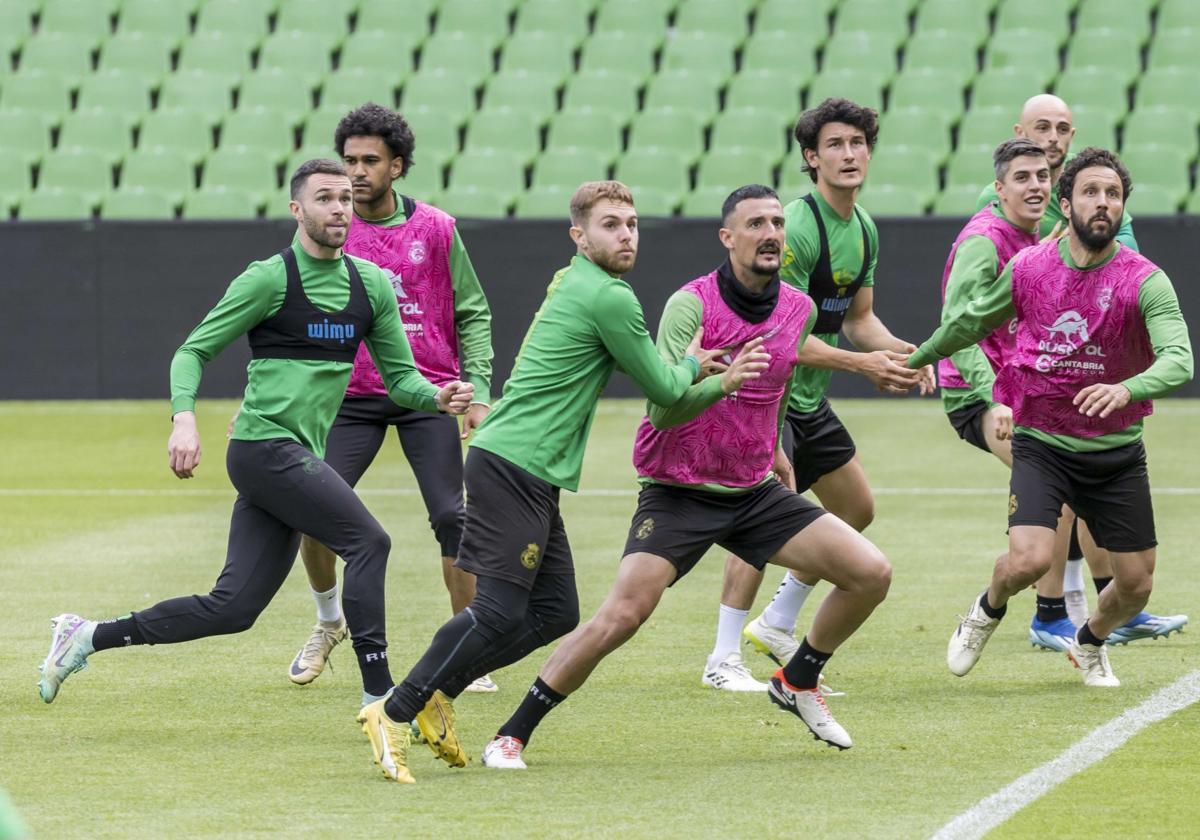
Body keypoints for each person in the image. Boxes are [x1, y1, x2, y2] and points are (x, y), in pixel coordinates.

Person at [479, 185, 893, 770]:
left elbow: (777, 380)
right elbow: (663, 409)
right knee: (623, 614)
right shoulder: (690, 305)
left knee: (871, 572)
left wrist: (773, 444)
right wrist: (724, 381)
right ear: (728, 238)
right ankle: (512, 733)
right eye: (756, 224)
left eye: (777, 222)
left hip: (753, 491)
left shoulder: (797, 308)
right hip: (678, 490)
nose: (771, 232)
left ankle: (798, 679)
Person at [37, 160, 474, 708]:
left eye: (344, 199)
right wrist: (184, 420)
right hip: (262, 447)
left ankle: (85, 635)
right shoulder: (268, 278)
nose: (339, 208)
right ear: (297, 209)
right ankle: (379, 695)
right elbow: (192, 351)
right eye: (324, 199)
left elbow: (401, 379)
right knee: (370, 542)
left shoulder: (371, 285)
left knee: (233, 608)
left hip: (295, 458)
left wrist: (436, 396)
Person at [356, 180, 734, 783]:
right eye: (611, 224)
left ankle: (432, 694)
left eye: (632, 223)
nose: (627, 234)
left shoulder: (578, 281)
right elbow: (665, 391)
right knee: (499, 610)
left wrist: (688, 368)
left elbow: (658, 377)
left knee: (555, 611)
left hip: (524, 463)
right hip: (515, 462)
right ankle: (394, 710)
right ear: (578, 236)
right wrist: (706, 368)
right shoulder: (610, 298)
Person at [910, 148, 1193, 687]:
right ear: (1066, 205)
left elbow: (1179, 358)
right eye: (1090, 191)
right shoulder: (1029, 267)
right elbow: (968, 322)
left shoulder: (1145, 280)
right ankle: (986, 610)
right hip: (1043, 441)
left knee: (1135, 586)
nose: (1102, 202)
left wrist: (1125, 387)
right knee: (1028, 562)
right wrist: (913, 360)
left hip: (1116, 452)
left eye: (1113, 193)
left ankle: (1089, 643)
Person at [704, 98, 930, 692]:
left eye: (857, 143)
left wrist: (912, 355)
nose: (849, 154)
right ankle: (723, 658)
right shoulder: (797, 227)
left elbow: (860, 319)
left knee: (856, 510)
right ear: (812, 158)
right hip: (765, 398)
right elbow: (783, 340)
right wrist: (864, 365)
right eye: (835, 145)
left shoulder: (865, 228)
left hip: (807, 399)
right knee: (765, 521)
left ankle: (776, 622)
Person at [285, 103, 500, 694]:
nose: (355, 173)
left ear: (397, 166)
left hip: (427, 395)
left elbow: (473, 312)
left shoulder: (436, 229)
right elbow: (295, 314)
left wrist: (476, 388)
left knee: (453, 516)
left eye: (369, 161)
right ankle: (329, 622)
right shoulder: (329, 226)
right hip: (348, 397)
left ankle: (466, 644)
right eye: (349, 160)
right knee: (313, 508)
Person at [976, 96, 1186, 646]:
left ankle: (1094, 614)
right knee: (1053, 500)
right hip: (1028, 385)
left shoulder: (1108, 221)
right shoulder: (999, 216)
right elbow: (978, 313)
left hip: (1098, 391)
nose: (1051, 136)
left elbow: (1122, 286)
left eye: (1062, 128)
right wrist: (989, 389)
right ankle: (1049, 612)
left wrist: (1129, 377)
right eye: (1041, 127)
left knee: (1114, 541)